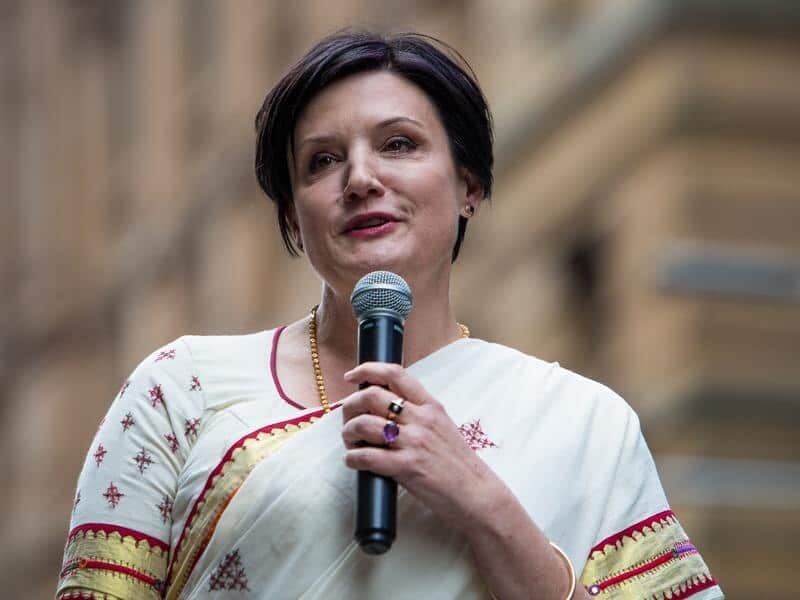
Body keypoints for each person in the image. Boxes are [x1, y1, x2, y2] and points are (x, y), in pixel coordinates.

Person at [57, 30, 724, 600]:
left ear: (469, 184)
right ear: (293, 214)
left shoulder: (583, 423)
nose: (360, 178)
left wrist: (484, 506)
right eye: (322, 162)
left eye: (399, 144)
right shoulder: (182, 390)